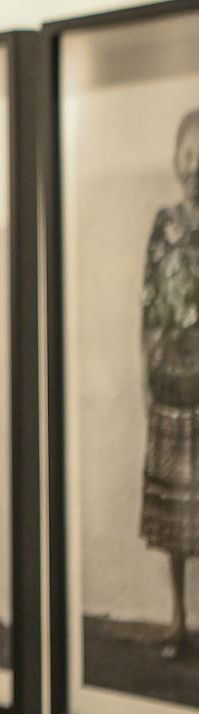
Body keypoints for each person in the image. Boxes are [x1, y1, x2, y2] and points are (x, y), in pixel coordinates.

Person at [140, 108, 199, 660]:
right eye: (188, 154)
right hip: (171, 386)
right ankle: (178, 619)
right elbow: (151, 306)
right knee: (175, 514)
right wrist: (146, 376)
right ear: (175, 161)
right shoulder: (164, 225)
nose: (195, 167)